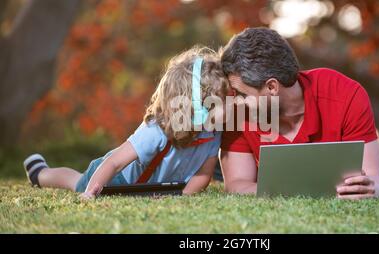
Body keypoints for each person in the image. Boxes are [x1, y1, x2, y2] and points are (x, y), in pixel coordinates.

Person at [23, 46, 229, 199]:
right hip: (117, 180)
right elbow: (114, 162)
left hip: (154, 190)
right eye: (222, 101)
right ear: (196, 108)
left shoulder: (213, 132)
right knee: (76, 182)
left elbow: (203, 175)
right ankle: (40, 173)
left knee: (75, 179)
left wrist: (182, 198)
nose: (232, 106)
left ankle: (43, 173)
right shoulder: (157, 130)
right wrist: (90, 193)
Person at [219, 27, 379, 200]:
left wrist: (371, 189)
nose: (236, 101)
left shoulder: (345, 95)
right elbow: (237, 183)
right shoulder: (238, 112)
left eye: (242, 95)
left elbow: (375, 179)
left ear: (271, 87)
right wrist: (293, 192)